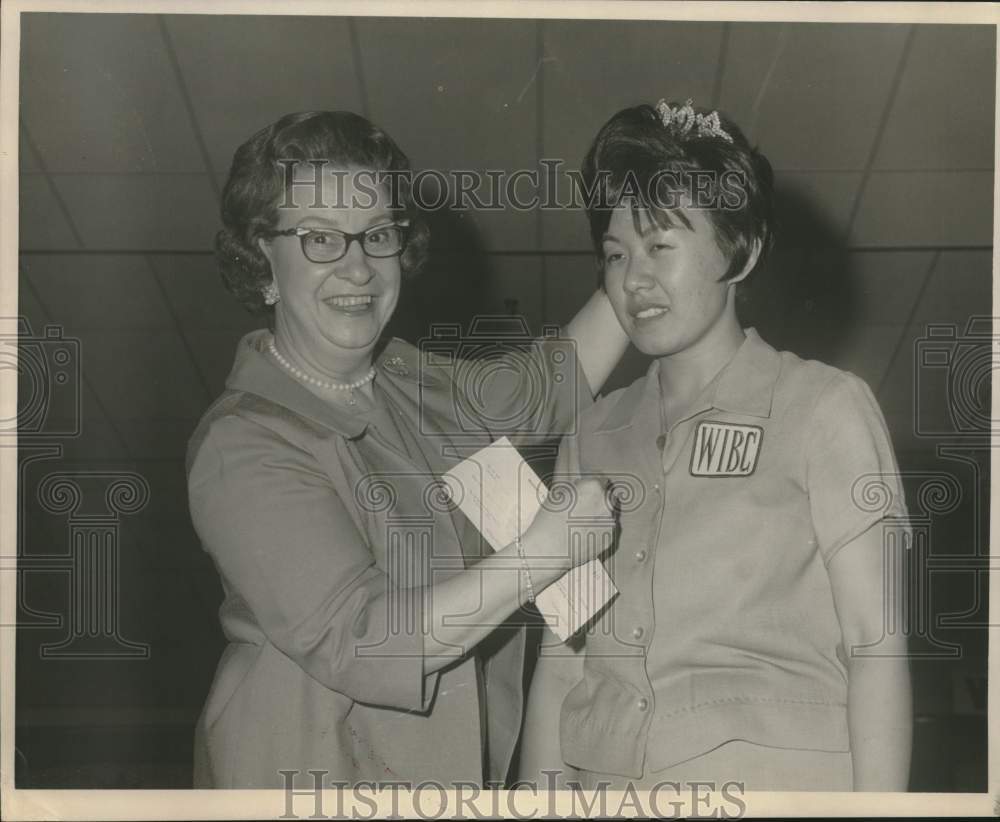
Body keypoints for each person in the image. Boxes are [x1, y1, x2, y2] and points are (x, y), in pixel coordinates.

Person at [186, 110, 629, 788]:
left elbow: (550, 386)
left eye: (378, 235)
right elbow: (361, 639)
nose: (358, 267)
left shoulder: (411, 383)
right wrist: (548, 551)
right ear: (262, 265)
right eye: (320, 240)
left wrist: (640, 248)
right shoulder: (243, 442)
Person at [519, 99, 912, 792]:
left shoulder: (823, 408)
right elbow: (562, 663)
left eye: (661, 246)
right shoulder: (592, 432)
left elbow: (874, 647)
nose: (632, 279)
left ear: (743, 251)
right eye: (615, 254)